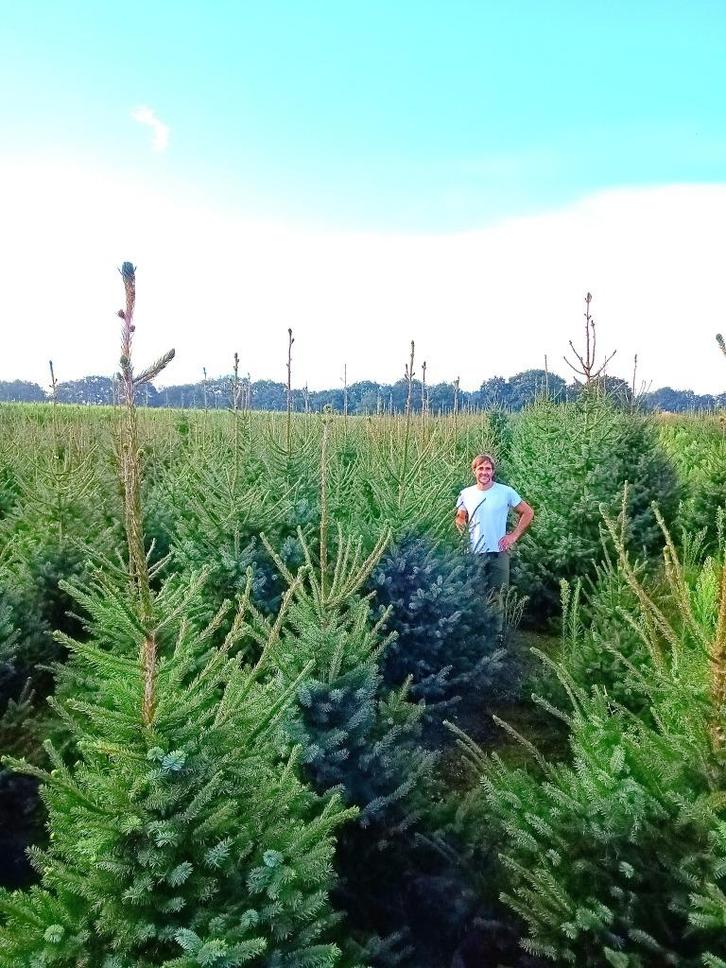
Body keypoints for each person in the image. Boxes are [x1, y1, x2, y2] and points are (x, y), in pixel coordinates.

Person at [455, 453, 534, 642]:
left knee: (497, 593)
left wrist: (513, 536)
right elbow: (460, 516)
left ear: (493, 471)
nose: (484, 472)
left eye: (488, 468)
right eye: (480, 468)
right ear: (474, 471)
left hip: (499, 551)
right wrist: (461, 527)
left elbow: (528, 512)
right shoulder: (466, 493)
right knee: (475, 591)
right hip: (474, 551)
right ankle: (475, 631)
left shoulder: (505, 492)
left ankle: (496, 634)